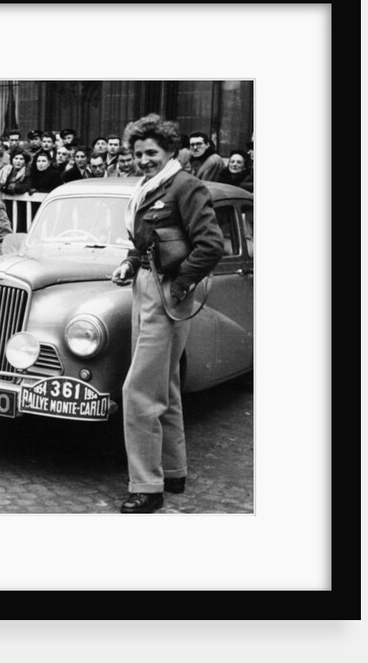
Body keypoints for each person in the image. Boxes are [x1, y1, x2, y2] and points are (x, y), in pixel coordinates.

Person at [110, 114, 224, 514]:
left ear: (171, 151)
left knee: (138, 391)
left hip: (168, 293)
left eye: (151, 152)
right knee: (167, 385)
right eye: (138, 153)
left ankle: (146, 486)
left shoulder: (185, 186)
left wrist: (180, 286)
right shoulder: (147, 188)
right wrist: (130, 261)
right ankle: (173, 473)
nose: (143, 160)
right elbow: (144, 240)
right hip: (145, 287)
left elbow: (210, 246)